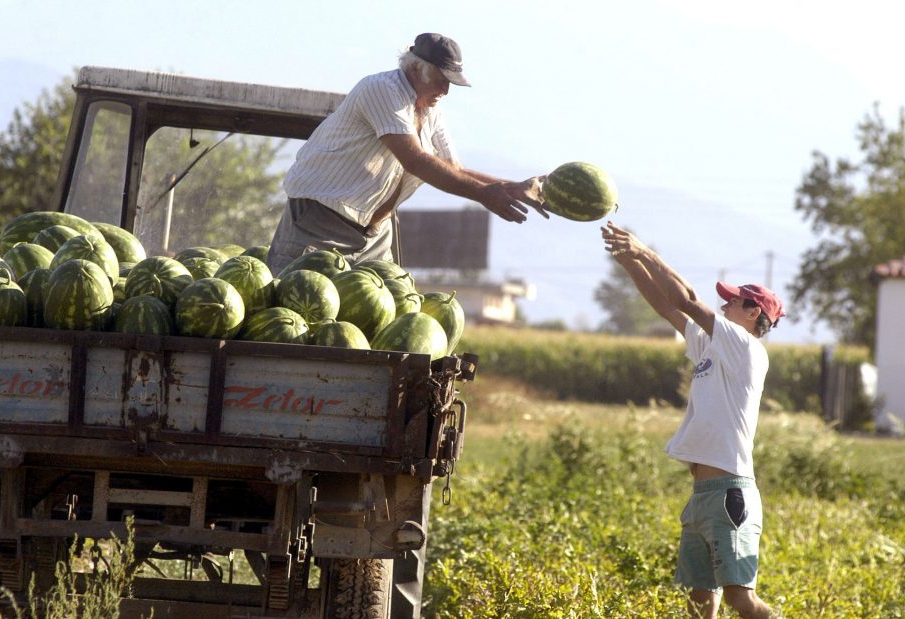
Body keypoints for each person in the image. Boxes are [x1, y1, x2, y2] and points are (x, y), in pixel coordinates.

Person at [600, 221, 784, 619]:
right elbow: (667, 307)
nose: (724, 306)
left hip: (729, 495)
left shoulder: (745, 347)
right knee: (700, 603)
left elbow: (686, 300)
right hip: (703, 498)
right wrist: (629, 260)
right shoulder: (711, 347)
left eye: (733, 302)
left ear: (753, 313)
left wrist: (645, 251)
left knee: (740, 599)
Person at [265, 32, 546, 275]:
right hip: (321, 223)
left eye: (451, 83)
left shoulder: (431, 108)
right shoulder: (381, 90)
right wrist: (483, 195)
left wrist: (511, 189)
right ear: (415, 68)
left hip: (374, 233)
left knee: (379, 323)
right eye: (441, 79)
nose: (445, 90)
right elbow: (415, 160)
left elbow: (454, 169)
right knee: (300, 318)